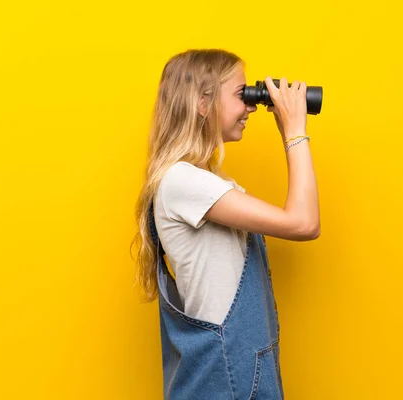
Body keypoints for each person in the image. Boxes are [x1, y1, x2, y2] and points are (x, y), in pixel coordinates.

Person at [131, 48, 320, 399]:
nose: (250, 106)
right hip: (224, 374)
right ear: (202, 103)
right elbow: (303, 223)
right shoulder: (183, 182)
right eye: (241, 94)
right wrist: (294, 132)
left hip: (239, 368)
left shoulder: (206, 182)